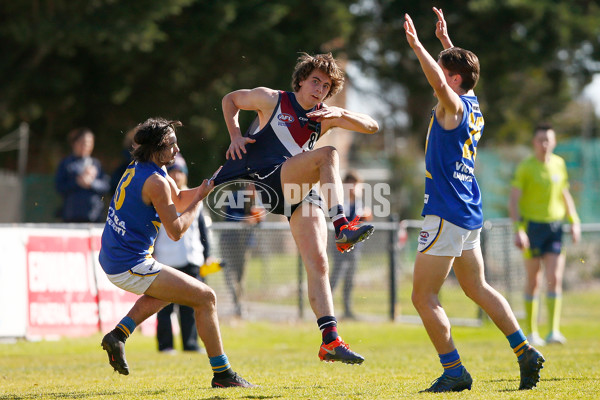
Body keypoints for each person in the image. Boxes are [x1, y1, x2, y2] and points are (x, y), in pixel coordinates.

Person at [404, 7, 544, 392]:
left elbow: (441, 82)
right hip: (467, 212)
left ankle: (454, 371)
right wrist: (447, 43)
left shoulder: (452, 106)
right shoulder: (474, 103)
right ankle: (524, 350)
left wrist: (419, 46)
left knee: (422, 296)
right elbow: (460, 77)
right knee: (477, 288)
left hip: (446, 212)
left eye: (445, 74)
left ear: (452, 80)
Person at [213, 52, 379, 364]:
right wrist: (235, 136)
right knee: (327, 155)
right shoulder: (272, 99)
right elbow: (230, 99)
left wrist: (340, 111)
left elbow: (372, 126)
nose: (319, 89)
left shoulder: (324, 114)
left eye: (326, 86)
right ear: (301, 80)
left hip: (301, 191)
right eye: (315, 81)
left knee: (318, 262)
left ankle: (330, 340)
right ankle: (343, 225)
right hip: (271, 180)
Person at [98, 117, 254, 388]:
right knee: (206, 297)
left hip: (118, 257)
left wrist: (212, 184)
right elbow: (176, 230)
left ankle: (118, 335)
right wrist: (200, 202)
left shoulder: (143, 167)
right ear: (157, 148)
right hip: (128, 263)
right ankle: (223, 374)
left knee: (169, 294)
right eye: (171, 144)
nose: (177, 148)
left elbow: (179, 199)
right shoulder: (156, 181)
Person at [508, 123, 581, 346]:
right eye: (541, 140)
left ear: (554, 142)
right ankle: (531, 333)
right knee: (534, 280)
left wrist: (574, 220)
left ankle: (553, 332)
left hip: (555, 227)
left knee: (555, 278)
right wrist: (519, 230)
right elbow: (513, 201)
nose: (545, 144)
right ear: (534, 143)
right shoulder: (526, 167)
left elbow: (564, 194)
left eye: (548, 139)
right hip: (532, 229)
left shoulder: (559, 164)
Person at [153, 153, 213, 354]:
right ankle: (165, 345)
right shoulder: (160, 197)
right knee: (163, 305)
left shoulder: (195, 196)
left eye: (180, 172)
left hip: (191, 258)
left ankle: (190, 343)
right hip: (165, 258)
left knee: (191, 305)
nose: (177, 176)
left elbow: (203, 230)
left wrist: (207, 254)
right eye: (173, 172)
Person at [329, 170, 372, 320]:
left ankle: (347, 309)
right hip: (340, 245)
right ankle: (328, 309)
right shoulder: (340, 201)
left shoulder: (359, 202)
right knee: (336, 275)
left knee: (349, 278)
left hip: (355, 246)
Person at [220, 184, 263, 317]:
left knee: (241, 276)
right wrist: (246, 219)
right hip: (229, 242)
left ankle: (240, 305)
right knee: (229, 275)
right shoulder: (235, 197)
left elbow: (259, 222)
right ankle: (236, 303)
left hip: (244, 245)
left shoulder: (258, 200)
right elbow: (229, 216)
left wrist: (258, 218)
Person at [55, 127, 110, 222]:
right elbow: (59, 187)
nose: (86, 146)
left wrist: (91, 183)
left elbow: (106, 186)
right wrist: (78, 182)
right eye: (83, 143)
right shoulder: (66, 164)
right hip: (72, 216)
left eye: (90, 143)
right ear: (75, 143)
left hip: (94, 216)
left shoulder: (96, 164)